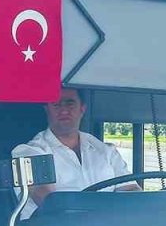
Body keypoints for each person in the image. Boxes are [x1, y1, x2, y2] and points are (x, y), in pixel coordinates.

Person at [12, 87, 138, 218]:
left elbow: (131, 192)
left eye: (70, 103)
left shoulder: (106, 151)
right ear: (46, 109)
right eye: (56, 104)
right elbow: (49, 202)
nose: (64, 110)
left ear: (82, 109)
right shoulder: (28, 153)